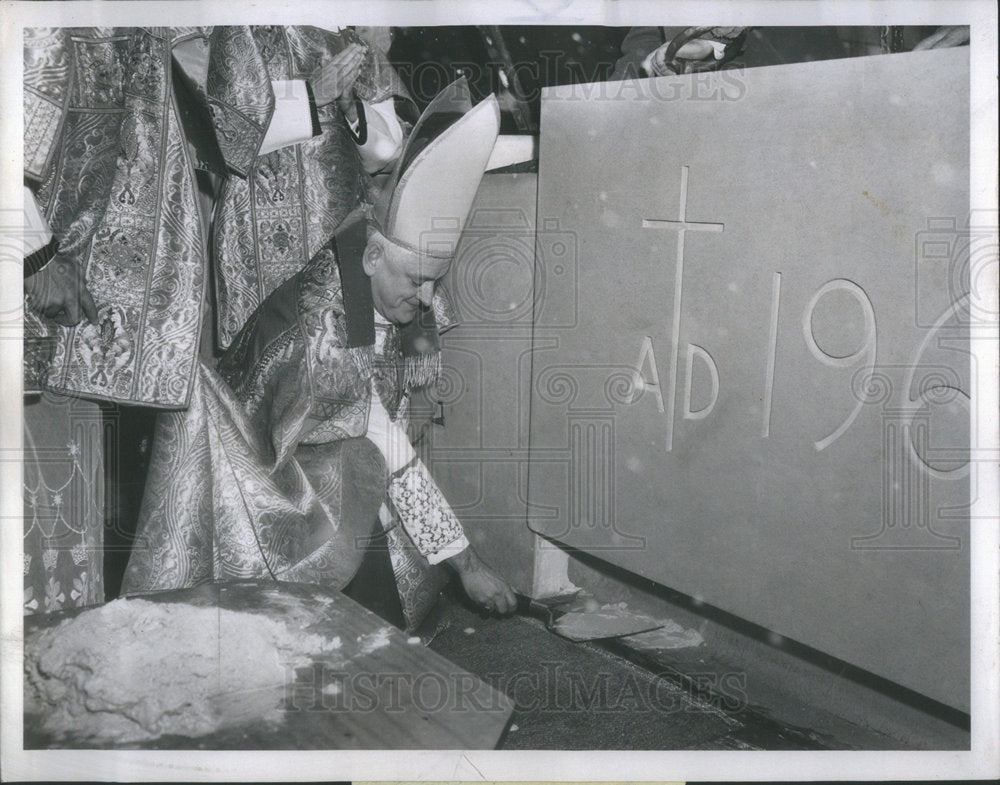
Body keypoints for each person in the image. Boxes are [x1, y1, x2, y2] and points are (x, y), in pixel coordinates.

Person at [22, 26, 409, 610]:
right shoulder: (228, 27)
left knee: (331, 424)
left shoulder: (337, 34)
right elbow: (229, 128)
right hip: (229, 259)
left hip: (324, 247)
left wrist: (344, 96)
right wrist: (35, 251)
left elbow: (384, 142)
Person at [121, 79, 517, 631]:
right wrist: (467, 564)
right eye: (419, 282)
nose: (427, 300)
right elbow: (388, 449)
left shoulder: (396, 279)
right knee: (353, 483)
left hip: (352, 451)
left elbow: (417, 390)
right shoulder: (327, 327)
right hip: (264, 484)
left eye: (434, 283)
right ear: (374, 256)